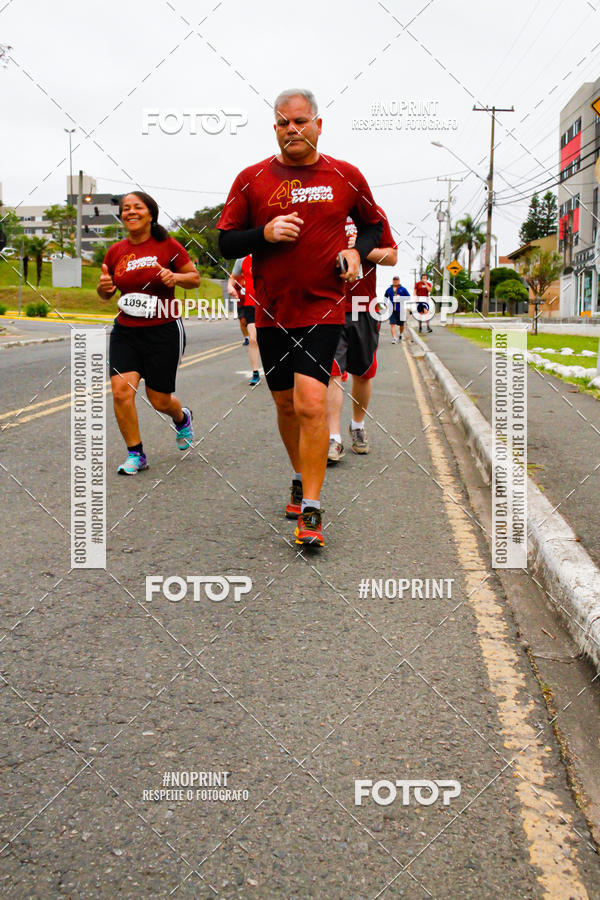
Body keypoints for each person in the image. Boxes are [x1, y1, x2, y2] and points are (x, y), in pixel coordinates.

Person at [218, 88, 382, 547]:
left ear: (318, 124)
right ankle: (297, 474)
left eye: (301, 121)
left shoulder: (345, 175)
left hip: (323, 307)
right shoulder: (252, 179)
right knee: (286, 406)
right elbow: (226, 242)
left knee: (311, 403)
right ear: (275, 128)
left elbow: (373, 226)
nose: (293, 129)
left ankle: (311, 507)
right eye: (284, 123)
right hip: (271, 311)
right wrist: (263, 233)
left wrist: (355, 250)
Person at [98, 191, 200, 475]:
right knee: (121, 392)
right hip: (126, 331)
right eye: (125, 208)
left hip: (163, 331)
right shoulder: (116, 251)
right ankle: (136, 454)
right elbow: (106, 292)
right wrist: (104, 289)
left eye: (137, 207)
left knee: (159, 400)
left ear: (150, 213)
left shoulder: (168, 246)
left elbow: (194, 278)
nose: (130, 212)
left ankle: (181, 418)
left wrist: (175, 277)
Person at [327, 215, 397, 463]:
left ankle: (357, 425)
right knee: (332, 371)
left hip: (364, 307)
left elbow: (391, 257)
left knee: (364, 372)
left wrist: (361, 250)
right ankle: (333, 438)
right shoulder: (325, 208)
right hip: (329, 306)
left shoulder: (372, 215)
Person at [231, 255, 260, 386]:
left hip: (271, 303)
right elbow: (233, 277)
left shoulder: (272, 250)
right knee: (253, 339)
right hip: (250, 304)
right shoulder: (242, 259)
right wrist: (230, 287)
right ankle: (255, 373)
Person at [384, 276, 410, 343]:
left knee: (401, 325)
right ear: (392, 281)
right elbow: (385, 297)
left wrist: (401, 297)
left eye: (397, 280)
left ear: (399, 281)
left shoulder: (403, 289)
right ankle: (394, 338)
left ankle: (400, 334)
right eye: (394, 280)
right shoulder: (389, 289)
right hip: (391, 310)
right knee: (392, 324)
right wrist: (385, 304)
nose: (395, 281)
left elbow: (408, 297)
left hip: (400, 310)